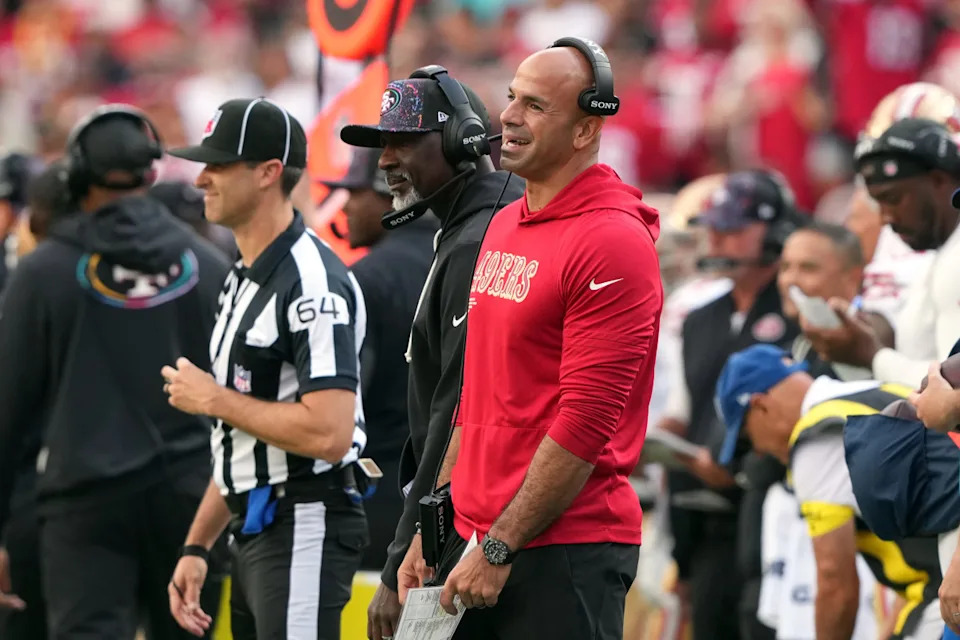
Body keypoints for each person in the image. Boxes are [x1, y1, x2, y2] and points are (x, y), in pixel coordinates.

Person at [408, 37, 662, 638]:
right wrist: (435, 523)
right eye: (511, 97)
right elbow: (478, 399)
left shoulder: (611, 240)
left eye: (537, 106)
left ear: (585, 130)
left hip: (561, 549)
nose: (510, 117)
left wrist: (500, 546)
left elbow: (586, 419)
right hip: (476, 538)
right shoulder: (501, 224)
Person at [0, 105, 231, 639]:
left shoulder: (43, 271)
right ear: (152, 173)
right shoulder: (210, 266)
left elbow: (9, 413)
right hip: (191, 505)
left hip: (85, 506)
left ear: (77, 173)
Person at [164, 97, 369, 640]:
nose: (201, 178)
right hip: (256, 524)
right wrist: (196, 543)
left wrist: (212, 399)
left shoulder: (312, 280)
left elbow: (330, 431)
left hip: (304, 517)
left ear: (267, 172)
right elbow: (245, 438)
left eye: (218, 164)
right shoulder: (241, 275)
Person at [338, 68, 524, 640]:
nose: (385, 161)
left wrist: (400, 562)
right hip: (485, 527)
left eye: (401, 143)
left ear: (461, 142)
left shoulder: (479, 241)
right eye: (382, 145)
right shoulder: (476, 227)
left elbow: (458, 415)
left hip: (487, 535)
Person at [658, 169, 805, 640]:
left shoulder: (795, 312)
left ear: (777, 231)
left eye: (734, 228)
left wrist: (737, 463)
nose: (718, 239)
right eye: (714, 228)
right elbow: (684, 409)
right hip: (701, 522)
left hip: (772, 515)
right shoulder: (700, 317)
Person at [714, 344, 944, 640]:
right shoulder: (875, 389)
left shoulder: (814, 440)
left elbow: (836, 585)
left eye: (747, 438)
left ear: (760, 405)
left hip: (947, 593)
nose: (758, 452)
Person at [320, 147, 437, 570]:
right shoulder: (473, 256)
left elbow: (345, 406)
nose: (345, 206)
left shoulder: (366, 279)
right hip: (457, 502)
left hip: (379, 498)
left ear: (388, 196)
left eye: (353, 194)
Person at [804, 117, 960, 387]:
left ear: (938, 180)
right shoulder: (940, 254)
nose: (885, 218)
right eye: (877, 204)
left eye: (893, 199)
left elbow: (950, 388)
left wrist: (871, 355)